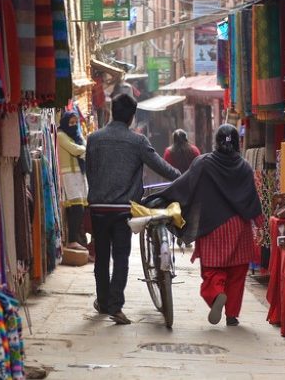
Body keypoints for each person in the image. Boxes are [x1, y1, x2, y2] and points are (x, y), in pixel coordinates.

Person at [85, 93, 181, 325]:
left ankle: (104, 301)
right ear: (131, 117)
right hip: (122, 208)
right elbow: (160, 165)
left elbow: (90, 170)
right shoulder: (137, 141)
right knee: (121, 257)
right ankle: (115, 307)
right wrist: (182, 177)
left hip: (98, 206)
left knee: (101, 257)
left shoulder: (94, 139)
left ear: (110, 111)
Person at [155, 124, 264, 326]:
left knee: (213, 271)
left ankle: (216, 295)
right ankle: (232, 315)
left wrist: (162, 198)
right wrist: (260, 223)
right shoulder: (245, 167)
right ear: (238, 144)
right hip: (240, 228)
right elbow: (252, 198)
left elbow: (184, 185)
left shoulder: (204, 163)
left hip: (213, 228)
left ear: (216, 142)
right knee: (237, 274)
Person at [56, 111, 88, 251]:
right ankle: (72, 240)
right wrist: (84, 149)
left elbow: (82, 148)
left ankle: (75, 238)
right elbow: (75, 150)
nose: (74, 125)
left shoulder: (77, 136)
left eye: (76, 123)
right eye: (71, 122)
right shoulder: (61, 135)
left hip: (79, 174)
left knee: (79, 207)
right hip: (69, 174)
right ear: (65, 123)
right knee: (77, 207)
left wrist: (83, 149)